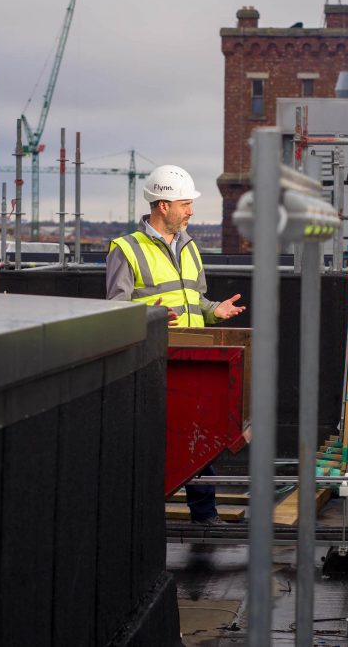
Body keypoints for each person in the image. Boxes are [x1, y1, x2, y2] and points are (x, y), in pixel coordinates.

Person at [107, 164, 245, 526]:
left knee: (200, 434)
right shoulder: (127, 249)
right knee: (155, 436)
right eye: (185, 204)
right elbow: (115, 308)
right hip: (152, 357)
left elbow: (194, 299)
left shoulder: (189, 246)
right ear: (163, 206)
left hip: (194, 357)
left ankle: (205, 513)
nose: (191, 211)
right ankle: (140, 513)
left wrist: (216, 310)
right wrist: (150, 314)